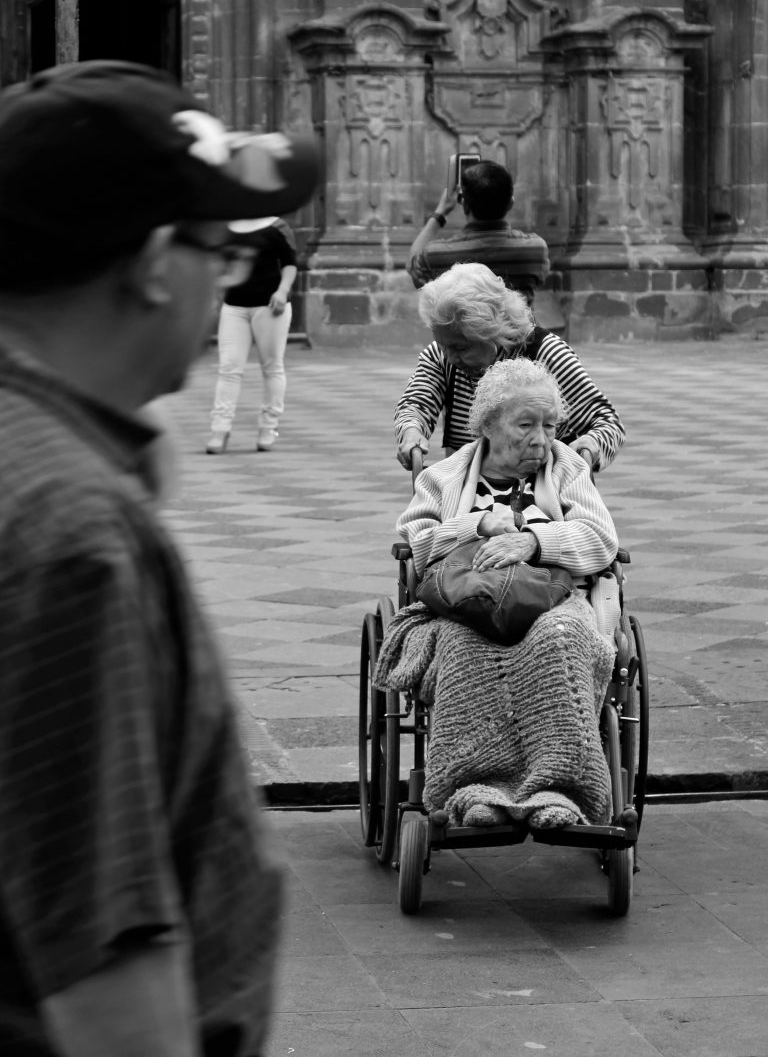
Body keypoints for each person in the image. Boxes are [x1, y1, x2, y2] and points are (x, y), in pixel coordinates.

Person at [0, 60, 319, 1057]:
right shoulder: (72, 531)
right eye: (219, 249)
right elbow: (108, 953)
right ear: (149, 264)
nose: (228, 274)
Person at [378, 358, 620, 829]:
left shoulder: (566, 467)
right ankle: (473, 787)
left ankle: (558, 789)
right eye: (525, 424)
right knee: (465, 646)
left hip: (551, 598)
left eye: (550, 426)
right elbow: (417, 542)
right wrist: (478, 525)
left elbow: (601, 538)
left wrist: (535, 541)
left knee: (562, 637)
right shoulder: (444, 476)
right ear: (487, 424)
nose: (540, 439)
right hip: (468, 605)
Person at [394, 262, 625, 472]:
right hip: (468, 491)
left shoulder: (547, 354)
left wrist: (590, 444)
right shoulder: (442, 355)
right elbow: (416, 404)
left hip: (545, 492)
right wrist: (412, 432)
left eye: (462, 348)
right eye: (445, 346)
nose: (451, 357)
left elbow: (607, 422)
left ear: (493, 332)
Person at [206, 216, 298, 454]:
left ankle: (269, 427)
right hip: (234, 306)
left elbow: (289, 263)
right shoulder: (228, 226)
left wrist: (282, 291)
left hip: (269, 306)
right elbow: (220, 264)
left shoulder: (276, 226)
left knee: (272, 367)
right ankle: (220, 429)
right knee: (229, 367)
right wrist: (216, 295)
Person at [406, 159, 549, 303]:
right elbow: (540, 278)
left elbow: (413, 267)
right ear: (511, 203)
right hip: (517, 326)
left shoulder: (435, 255)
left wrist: (440, 212)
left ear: (464, 204)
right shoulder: (535, 250)